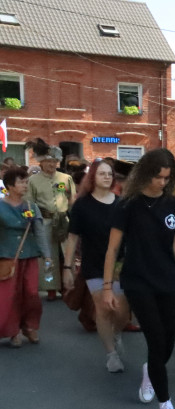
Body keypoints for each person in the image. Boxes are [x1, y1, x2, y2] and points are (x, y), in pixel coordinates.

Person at [102, 149, 175, 409]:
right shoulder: (127, 206)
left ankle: (150, 371)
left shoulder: (174, 206)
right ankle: (166, 406)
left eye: (167, 177)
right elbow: (113, 248)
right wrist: (106, 287)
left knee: (168, 342)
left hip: (166, 279)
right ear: (145, 174)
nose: (162, 182)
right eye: (157, 177)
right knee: (155, 339)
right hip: (138, 280)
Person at [64, 159, 130, 371]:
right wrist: (67, 268)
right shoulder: (82, 205)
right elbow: (72, 237)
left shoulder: (122, 203)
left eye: (109, 174)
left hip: (120, 264)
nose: (107, 177)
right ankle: (111, 354)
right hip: (93, 264)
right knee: (103, 307)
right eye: (102, 173)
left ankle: (117, 332)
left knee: (120, 311)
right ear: (93, 176)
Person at [0, 166, 52, 346]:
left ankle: (30, 327)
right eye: (21, 182)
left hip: (29, 256)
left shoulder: (31, 207)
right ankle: (13, 332)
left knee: (31, 293)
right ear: (10, 186)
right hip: (7, 257)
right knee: (10, 295)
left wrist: (47, 255)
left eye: (26, 181)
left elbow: (39, 232)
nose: (25, 185)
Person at [26, 139, 74, 301]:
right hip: (44, 222)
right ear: (41, 163)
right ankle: (51, 288)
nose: (52, 164)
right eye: (48, 161)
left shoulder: (66, 178)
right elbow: (29, 203)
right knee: (48, 255)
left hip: (63, 221)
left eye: (54, 161)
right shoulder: (33, 181)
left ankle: (68, 286)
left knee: (66, 253)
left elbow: (72, 198)